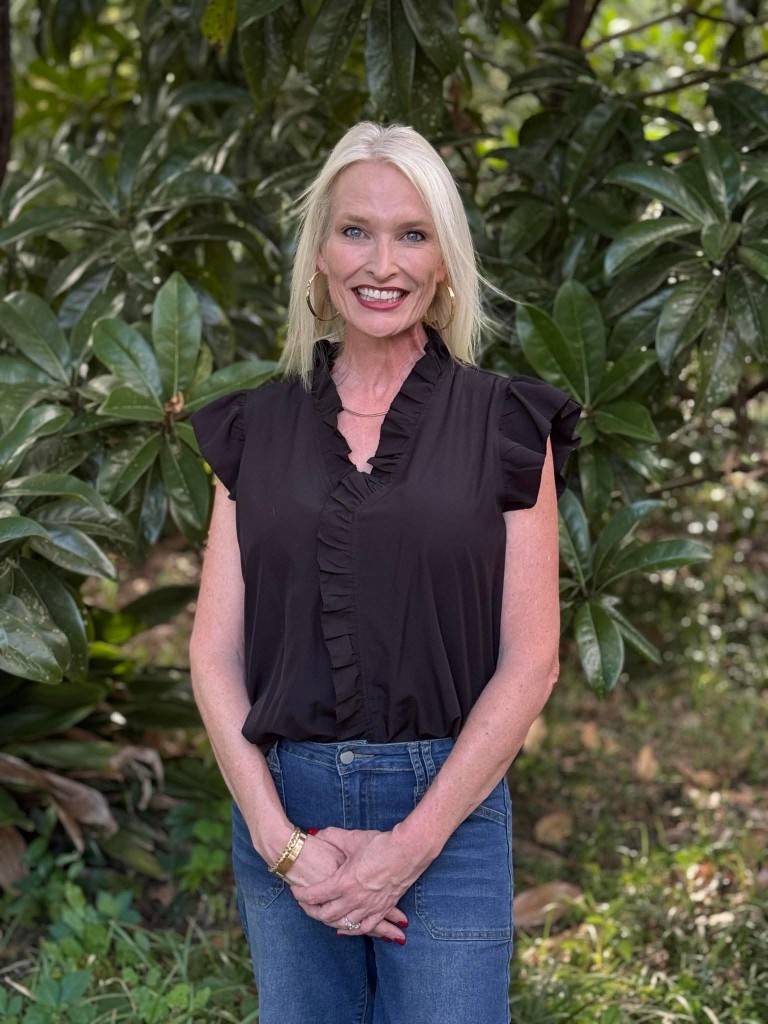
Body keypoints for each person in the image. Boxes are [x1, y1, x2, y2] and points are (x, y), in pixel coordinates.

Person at [188, 121, 582, 1024]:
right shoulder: (257, 427)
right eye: (356, 230)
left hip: (450, 808)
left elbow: (533, 662)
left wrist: (411, 844)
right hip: (287, 810)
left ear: (446, 259)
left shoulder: (505, 424)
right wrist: (279, 839)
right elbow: (214, 657)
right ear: (319, 255)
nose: (384, 262)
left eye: (413, 233)